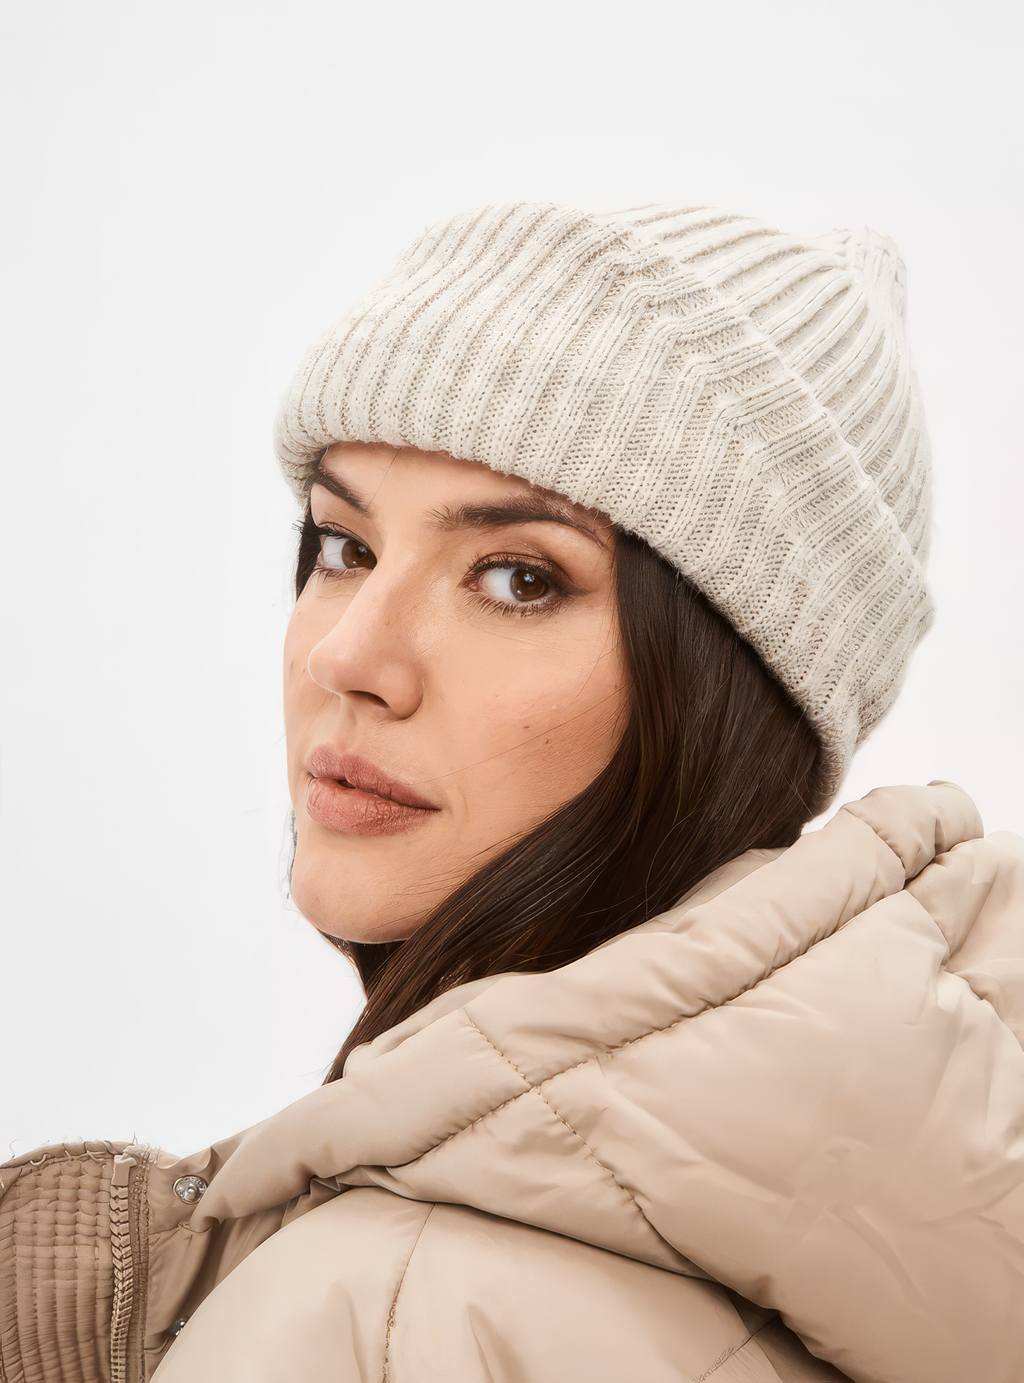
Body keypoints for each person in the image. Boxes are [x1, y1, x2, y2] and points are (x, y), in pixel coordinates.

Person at [3, 203, 1023, 1383]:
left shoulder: (386, 1313)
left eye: (517, 578)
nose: (347, 658)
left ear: (729, 697)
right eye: (344, 547)